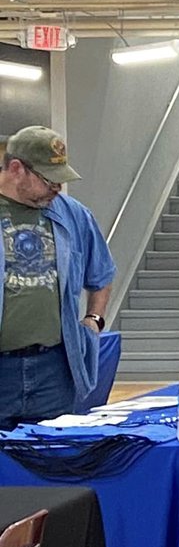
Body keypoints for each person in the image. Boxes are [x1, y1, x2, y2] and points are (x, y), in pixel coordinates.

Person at [0, 126, 115, 429]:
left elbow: (102, 273)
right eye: (49, 180)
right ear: (16, 169)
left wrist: (94, 320)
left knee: (55, 453)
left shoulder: (73, 215)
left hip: (54, 369)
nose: (58, 188)